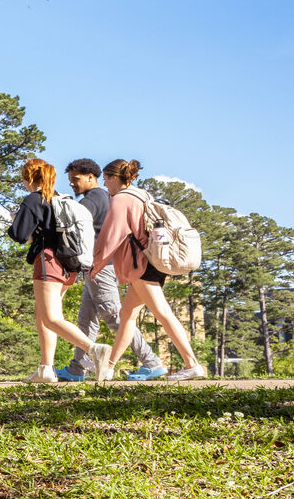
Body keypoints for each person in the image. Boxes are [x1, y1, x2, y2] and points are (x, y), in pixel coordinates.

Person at [88, 160, 208, 382]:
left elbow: (110, 237)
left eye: (105, 179)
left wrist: (94, 265)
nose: (105, 185)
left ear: (114, 178)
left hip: (141, 266)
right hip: (151, 261)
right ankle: (108, 367)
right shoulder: (143, 195)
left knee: (163, 313)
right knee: (127, 316)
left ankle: (192, 364)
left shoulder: (121, 200)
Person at [57, 159, 167, 381]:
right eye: (70, 180)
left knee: (114, 315)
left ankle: (152, 362)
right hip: (98, 266)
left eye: (75, 179)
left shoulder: (94, 198)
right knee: (87, 319)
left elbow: (74, 221)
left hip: (101, 266)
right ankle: (77, 369)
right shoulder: (103, 197)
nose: (72, 184)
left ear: (91, 177)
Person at [7, 159, 111, 384]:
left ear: (28, 178)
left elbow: (19, 234)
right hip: (68, 265)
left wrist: (15, 220)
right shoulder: (58, 198)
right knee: (42, 315)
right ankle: (45, 369)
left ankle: (94, 349)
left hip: (48, 262)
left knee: (52, 317)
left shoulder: (34, 199)